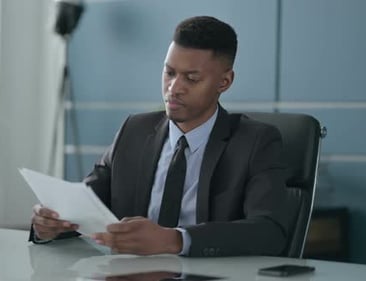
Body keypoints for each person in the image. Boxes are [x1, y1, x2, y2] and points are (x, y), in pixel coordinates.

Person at [30, 16, 289, 257]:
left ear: (224, 82)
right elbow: (86, 206)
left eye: (191, 78)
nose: (174, 89)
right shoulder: (134, 130)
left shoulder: (256, 142)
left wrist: (174, 240)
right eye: (170, 73)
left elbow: (270, 232)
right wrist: (50, 225)